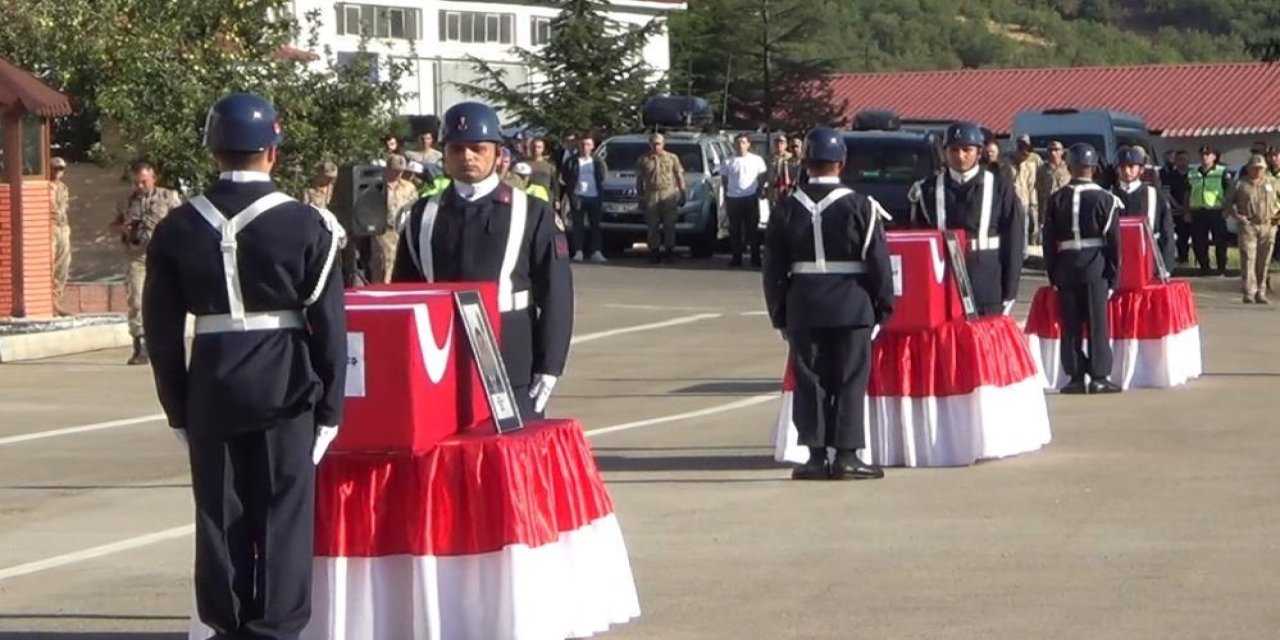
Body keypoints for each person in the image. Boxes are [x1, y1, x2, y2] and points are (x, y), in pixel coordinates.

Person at [143, 91, 347, 639]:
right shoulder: (309, 225)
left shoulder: (179, 226)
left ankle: (226, 625)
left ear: (213, 150)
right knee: (283, 513)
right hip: (285, 380)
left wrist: (177, 407)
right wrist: (330, 407)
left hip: (211, 380)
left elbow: (161, 332)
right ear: (272, 152)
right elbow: (329, 324)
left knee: (219, 514)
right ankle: (277, 628)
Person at [391, 101, 574, 420]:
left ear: (498, 153)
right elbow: (403, 293)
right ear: (445, 153)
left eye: (478, 148)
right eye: (458, 149)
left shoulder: (531, 212)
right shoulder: (423, 214)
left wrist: (550, 364)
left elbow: (556, 294)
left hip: (511, 361)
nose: (468, 157)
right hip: (440, 362)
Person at [762, 126, 894, 481]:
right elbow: (878, 262)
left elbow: (773, 267)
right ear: (842, 163)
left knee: (810, 379)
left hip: (803, 304)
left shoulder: (787, 206)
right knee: (850, 379)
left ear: (805, 161)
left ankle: (816, 455)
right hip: (852, 305)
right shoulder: (861, 205)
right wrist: (884, 305)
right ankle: (848, 454)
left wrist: (779, 312)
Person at [909, 122, 1025, 316]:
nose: (960, 156)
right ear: (944, 152)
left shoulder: (1000, 187)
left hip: (986, 280)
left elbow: (1013, 238)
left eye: (967, 150)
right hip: (944, 280)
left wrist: (1010, 289)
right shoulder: (927, 189)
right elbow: (918, 240)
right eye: (954, 150)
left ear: (979, 152)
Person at [1041, 143, 1122, 395]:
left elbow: (1048, 241)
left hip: (1066, 265)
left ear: (1070, 166)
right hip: (1095, 266)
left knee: (1071, 325)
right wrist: (1113, 276)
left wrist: (1053, 273)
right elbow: (1114, 243)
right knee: (1098, 324)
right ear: (1094, 168)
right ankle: (1099, 375)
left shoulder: (1057, 199)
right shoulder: (1106, 199)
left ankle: (1075, 376)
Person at [111, 160, 183, 365]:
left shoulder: (169, 198)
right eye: (136, 183)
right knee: (136, 300)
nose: (140, 187)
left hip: (164, 256)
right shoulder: (126, 201)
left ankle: (165, 344)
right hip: (138, 256)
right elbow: (113, 225)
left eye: (143, 182)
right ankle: (140, 345)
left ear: (153, 178)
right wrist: (124, 228)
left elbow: (184, 222)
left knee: (167, 301)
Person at [1224, 154, 1280, 304]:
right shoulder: (1240, 184)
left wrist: (1276, 218)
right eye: (1255, 168)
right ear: (1248, 169)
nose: (1258, 171)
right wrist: (1237, 216)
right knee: (1249, 259)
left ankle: (1261, 292)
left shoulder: (1273, 183)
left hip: (1269, 226)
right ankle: (1249, 292)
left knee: (1264, 260)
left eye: (1261, 168)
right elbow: (1228, 203)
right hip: (1248, 226)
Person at [354, 153, 418, 283]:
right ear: (388, 168)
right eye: (395, 171)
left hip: (403, 231)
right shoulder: (377, 186)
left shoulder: (409, 187)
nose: (398, 174)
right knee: (384, 266)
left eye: (401, 171)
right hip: (383, 232)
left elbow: (414, 206)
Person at [1112, 146, 1176, 271]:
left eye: (1131, 167)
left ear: (1141, 169)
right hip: (1118, 262)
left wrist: (1166, 266)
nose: (1127, 171)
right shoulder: (1108, 196)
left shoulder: (1155, 195)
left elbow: (1167, 231)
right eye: (1122, 167)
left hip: (1149, 260)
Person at [636, 132, 686, 263]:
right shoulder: (643, 159)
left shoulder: (672, 158)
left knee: (669, 224)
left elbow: (679, 175)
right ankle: (654, 251)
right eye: (653, 143)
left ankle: (669, 251)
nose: (655, 146)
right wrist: (640, 196)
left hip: (668, 193)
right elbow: (639, 179)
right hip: (651, 194)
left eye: (658, 143)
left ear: (663, 144)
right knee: (652, 225)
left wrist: (682, 192)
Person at [720, 133, 769, 267]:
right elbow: (724, 180)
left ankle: (755, 257)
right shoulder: (728, 161)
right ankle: (736, 258)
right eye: (737, 143)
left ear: (748, 144)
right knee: (735, 230)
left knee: (752, 230)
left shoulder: (757, 160)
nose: (740, 145)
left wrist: (759, 190)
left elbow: (762, 176)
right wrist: (727, 195)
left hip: (750, 198)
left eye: (743, 142)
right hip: (733, 199)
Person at [563, 134, 608, 262]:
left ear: (593, 146)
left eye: (588, 144)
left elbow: (603, 176)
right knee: (578, 225)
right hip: (577, 196)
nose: (585, 147)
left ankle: (596, 252)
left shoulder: (598, 161)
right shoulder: (571, 161)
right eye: (582, 144)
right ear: (579, 145)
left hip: (594, 196)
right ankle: (578, 251)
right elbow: (566, 177)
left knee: (595, 225)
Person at [1188, 146, 1232, 275]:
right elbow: (1187, 192)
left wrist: (1227, 209)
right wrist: (1187, 211)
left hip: (1216, 211)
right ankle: (1204, 267)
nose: (1204, 156)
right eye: (1202, 154)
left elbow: (1230, 192)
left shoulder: (1222, 171)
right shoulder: (1193, 173)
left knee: (1220, 241)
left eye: (1208, 154)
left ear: (1214, 156)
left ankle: (1221, 268)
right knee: (1198, 241)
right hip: (1198, 211)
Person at [50, 157, 72, 316]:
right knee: (49, 263)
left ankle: (56, 299)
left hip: (63, 227)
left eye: (61, 169)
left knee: (63, 264)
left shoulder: (63, 188)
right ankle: (50, 302)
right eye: (55, 168)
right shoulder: (45, 186)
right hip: (49, 227)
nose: (58, 172)